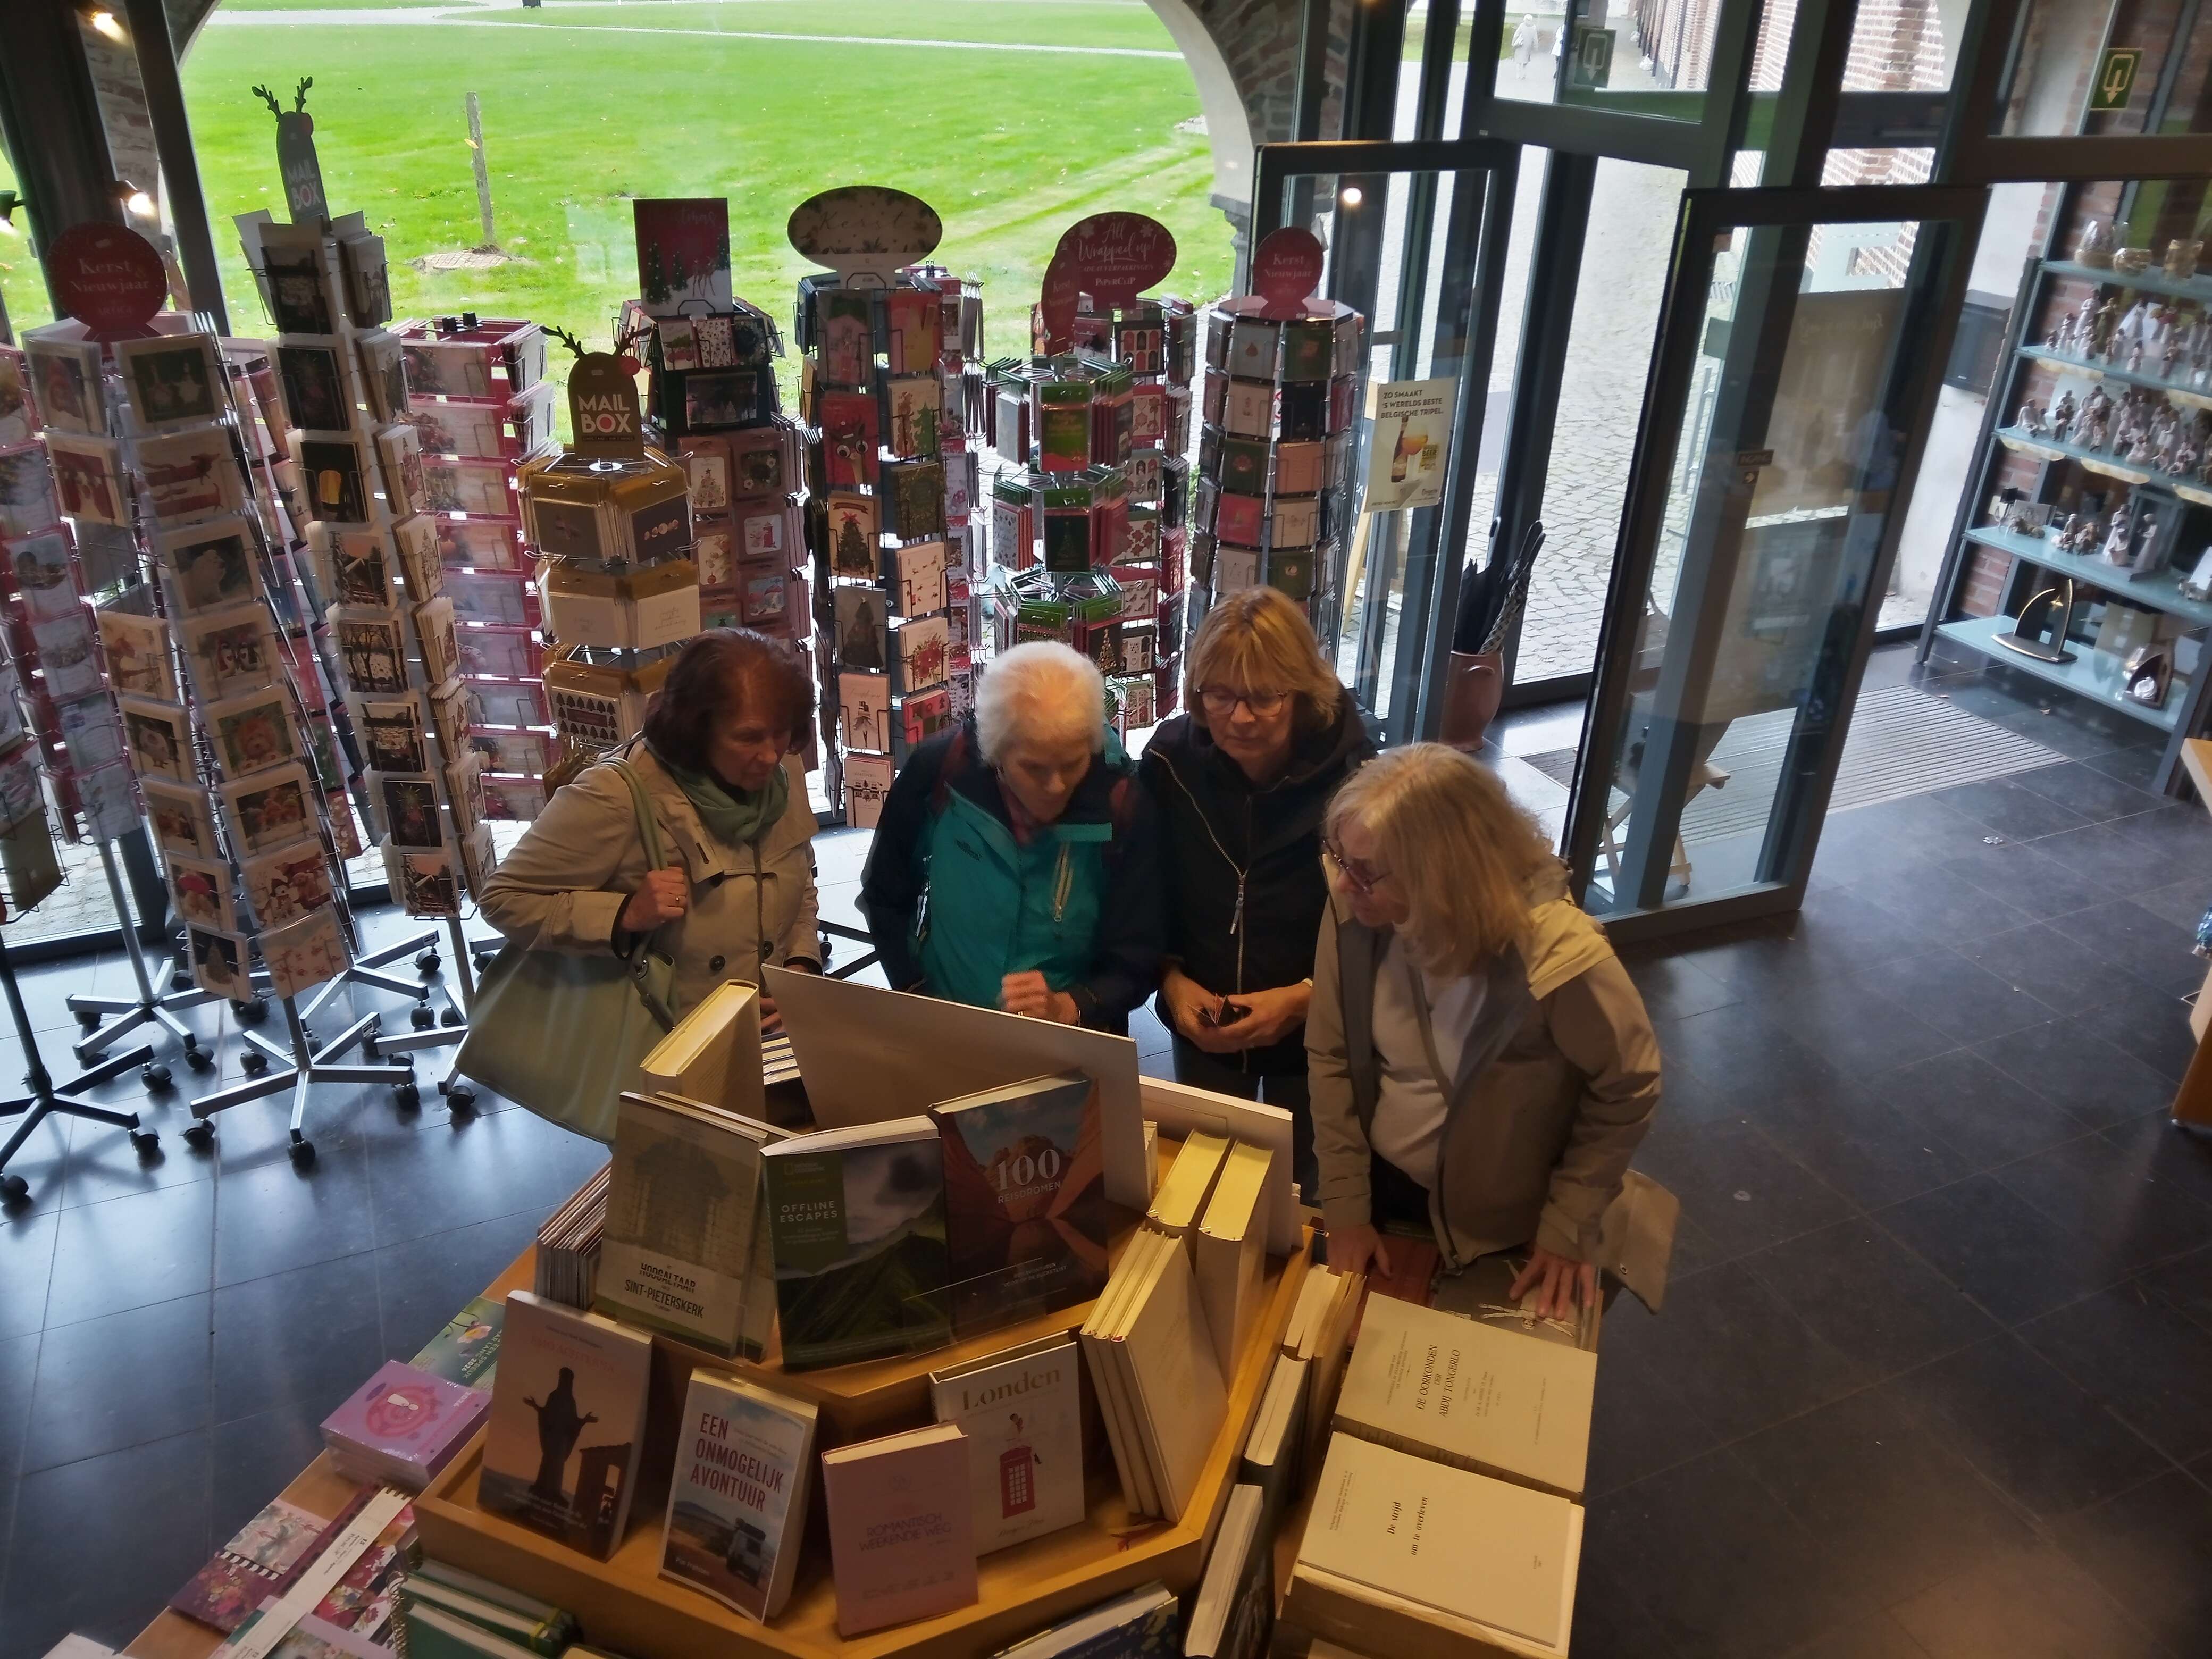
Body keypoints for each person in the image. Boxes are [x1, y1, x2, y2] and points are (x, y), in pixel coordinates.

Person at [1308, 744, 1663, 1318]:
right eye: (1339, 856)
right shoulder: (1356, 907)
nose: (1344, 884)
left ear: (1442, 875)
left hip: (1504, 1226)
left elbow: (1629, 1086)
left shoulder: (1557, 953)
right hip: (1386, 1190)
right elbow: (1330, 1056)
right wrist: (1346, 1206)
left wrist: (1568, 1222)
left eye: (1366, 871)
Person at [1138, 588, 1372, 1197]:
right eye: (1219, 695)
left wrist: (1305, 998)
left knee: (1307, 1187)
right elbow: (1143, 890)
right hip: (1204, 1023)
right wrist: (1168, 979)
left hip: (1316, 1032)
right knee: (1206, 1181)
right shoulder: (1169, 763)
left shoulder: (1356, 778)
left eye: (1263, 697)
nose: (1239, 718)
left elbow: (1381, 926)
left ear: (1301, 692)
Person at [480, 627, 821, 1027]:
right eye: (748, 738)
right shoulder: (618, 793)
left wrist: (799, 967)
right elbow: (503, 899)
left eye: (780, 732)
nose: (769, 755)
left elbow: (800, 878)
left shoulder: (783, 773)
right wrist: (624, 914)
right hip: (666, 1036)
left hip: (761, 1029)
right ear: (697, 729)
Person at [860, 640, 1164, 1033]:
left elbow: (1140, 953)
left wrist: (1073, 1005)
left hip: (1069, 1043)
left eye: (1073, 764)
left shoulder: (1123, 805)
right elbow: (886, 893)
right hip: (948, 1025)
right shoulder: (940, 772)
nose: (1056, 786)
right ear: (996, 755)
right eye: (1034, 768)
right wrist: (912, 987)